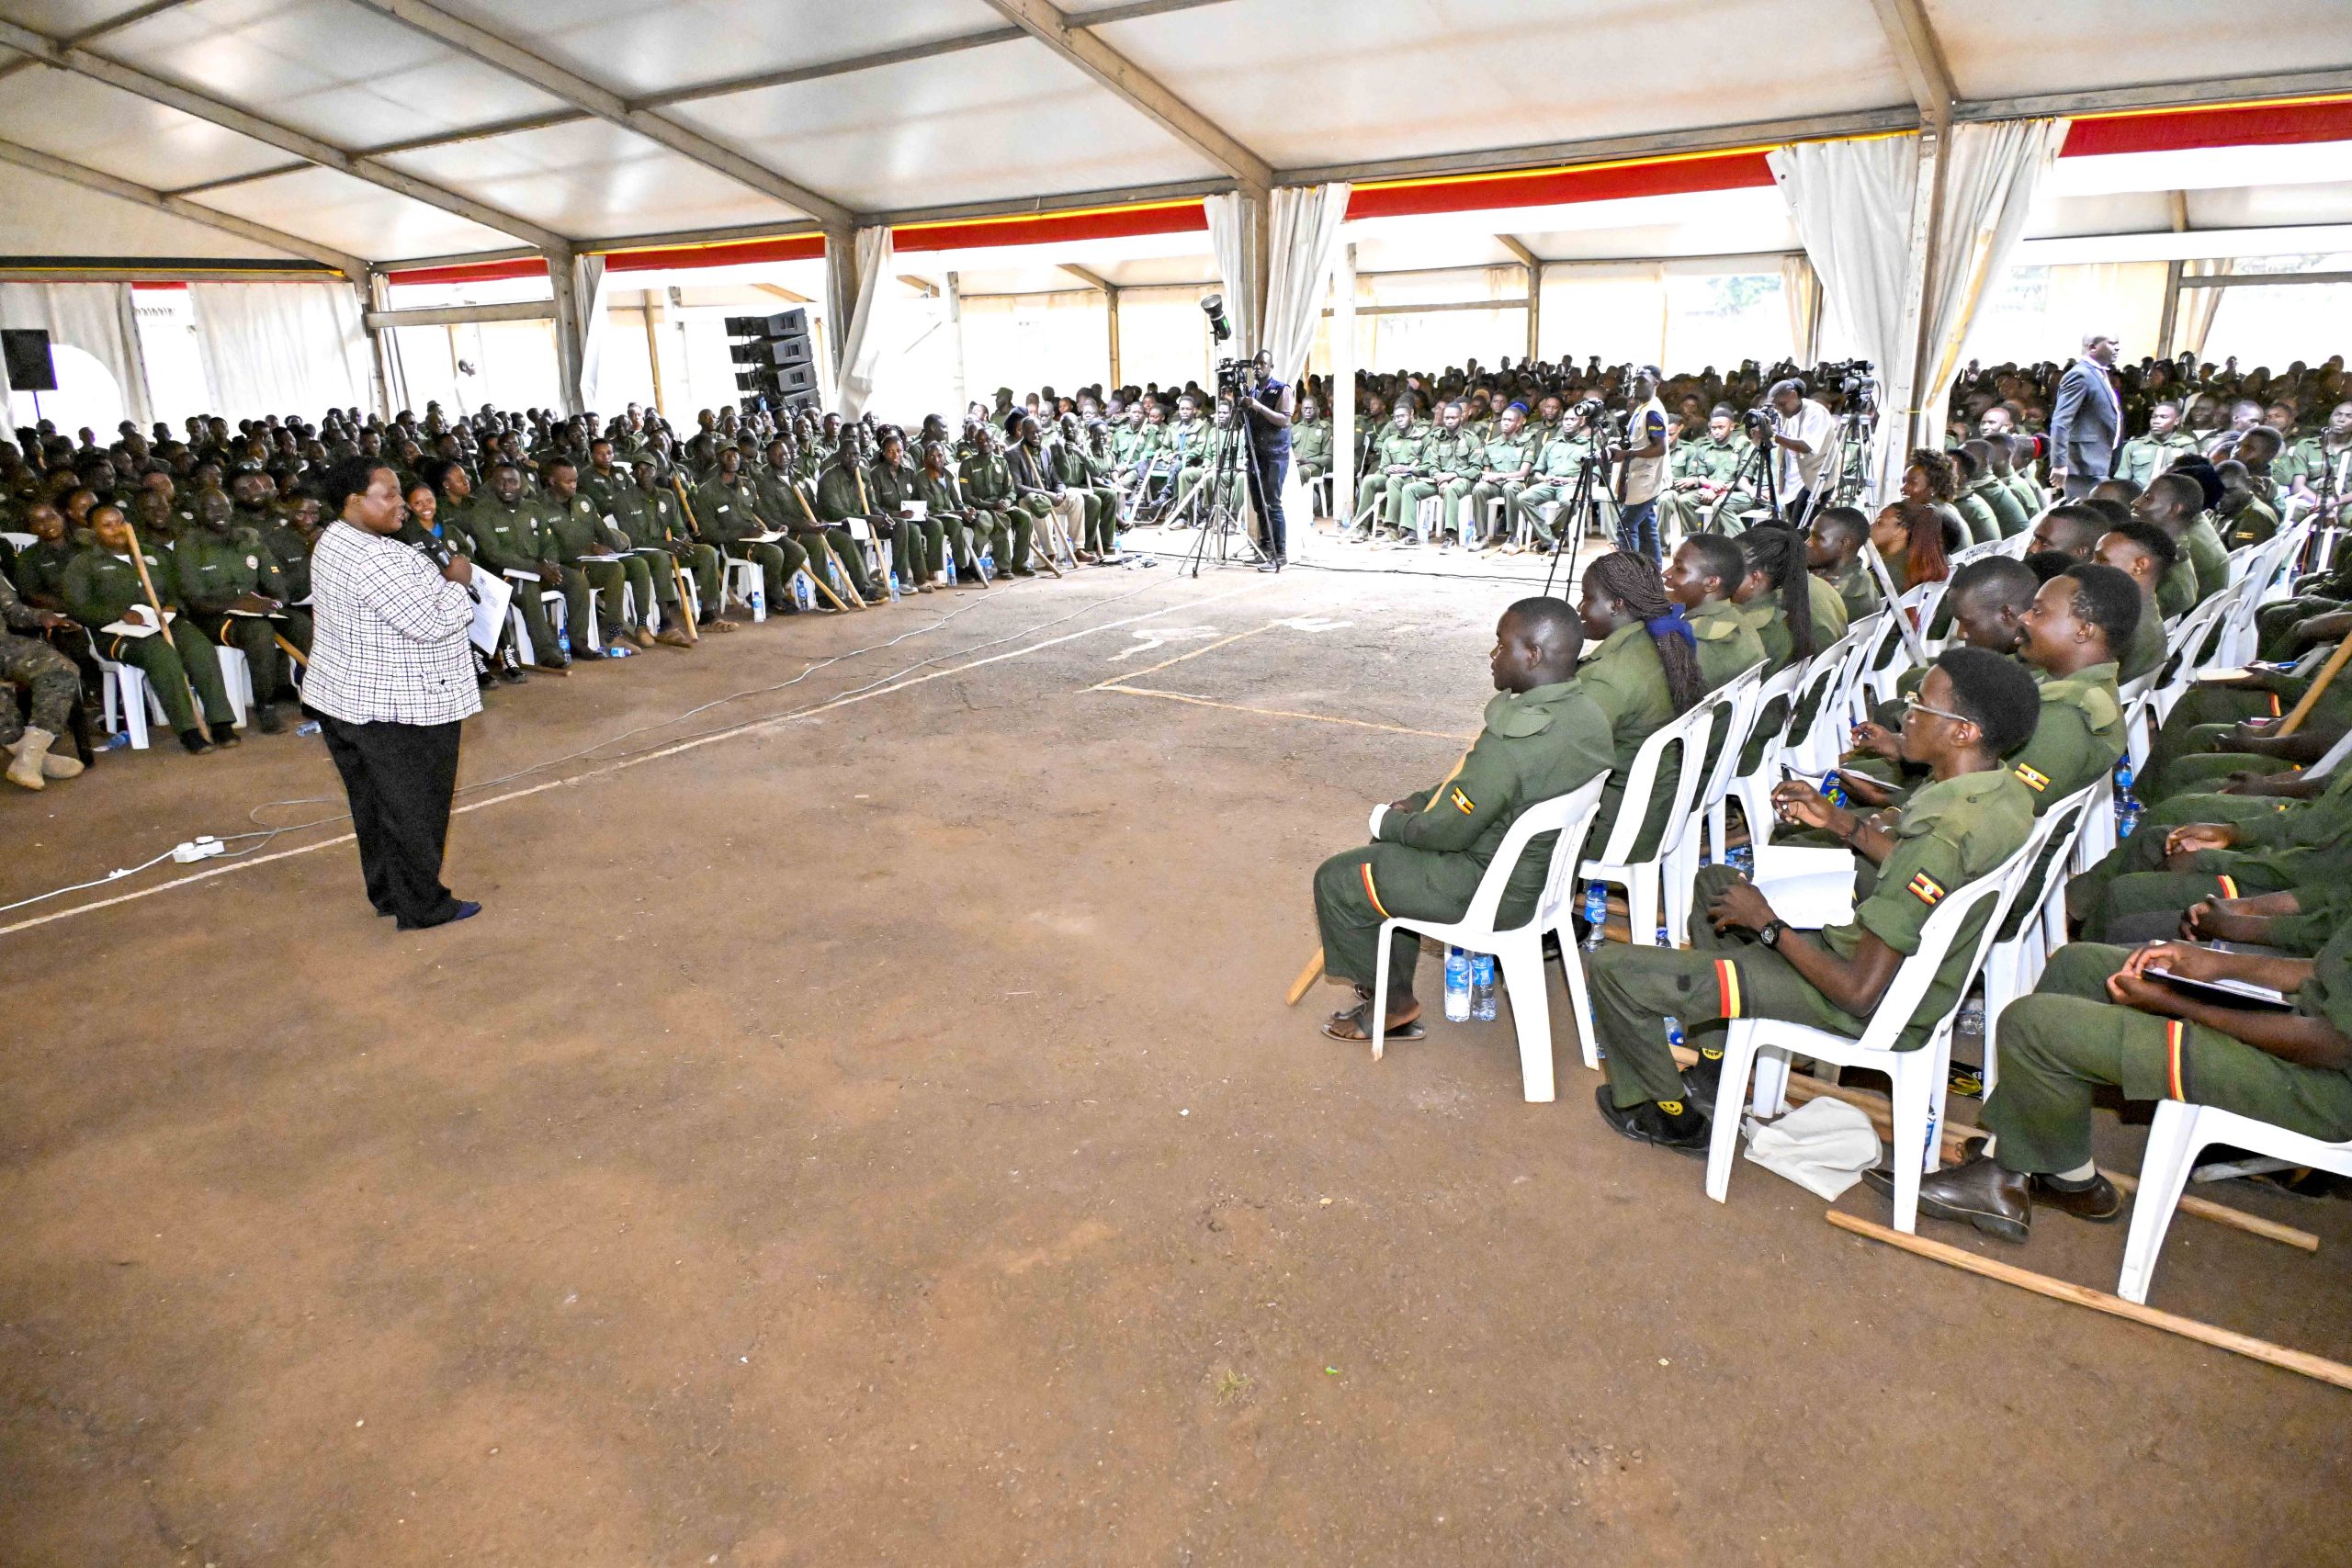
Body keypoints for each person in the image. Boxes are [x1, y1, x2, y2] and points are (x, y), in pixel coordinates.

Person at [1587, 648, 2039, 1150]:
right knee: (1716, 883)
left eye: (1920, 707)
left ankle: (1666, 1116)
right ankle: (1715, 1064)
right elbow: (1929, 873)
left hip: (1849, 997)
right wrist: (1840, 822)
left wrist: (1768, 926)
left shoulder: (1941, 836)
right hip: (1894, 970)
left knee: (1614, 971)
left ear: (1963, 732)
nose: (1906, 715)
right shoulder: (2002, 793)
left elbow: (1856, 992)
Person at [1899, 924, 2352, 1242]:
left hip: (2319, 1087)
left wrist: (2175, 1003)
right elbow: (2329, 971)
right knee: (2081, 966)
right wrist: (2214, 964)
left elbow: (2332, 1046)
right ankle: (2063, 1177)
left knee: (2032, 1026)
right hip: (2306, 1029)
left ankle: (2003, 1182)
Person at [1308, 598, 1612, 1043]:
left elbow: (1445, 832)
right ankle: (1390, 983)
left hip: (1485, 888)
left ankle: (1391, 1002)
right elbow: (1469, 789)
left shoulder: (1513, 743)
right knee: (1387, 862)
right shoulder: (1587, 714)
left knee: (1339, 877)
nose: (1493, 656)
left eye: (1500, 645)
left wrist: (1387, 823)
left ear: (1531, 655)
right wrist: (1419, 802)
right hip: (1542, 880)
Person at [301, 457, 481, 931]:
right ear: (353, 502)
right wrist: (457, 582)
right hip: (397, 705)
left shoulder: (335, 540)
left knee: (375, 805)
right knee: (414, 807)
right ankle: (422, 905)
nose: (401, 503)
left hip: (346, 696)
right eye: (388, 495)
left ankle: (389, 892)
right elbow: (431, 622)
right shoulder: (372, 556)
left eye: (399, 492)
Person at [0, 569, 84, 789]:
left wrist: (41, 616)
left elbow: (12, 610)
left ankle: (31, 754)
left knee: (62, 670)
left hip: (3, 645)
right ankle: (31, 755)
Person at [1238, 348, 1295, 569]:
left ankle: (1280, 555)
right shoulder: (1251, 392)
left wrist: (1258, 407)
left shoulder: (1282, 389)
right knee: (1259, 505)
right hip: (1255, 453)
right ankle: (1265, 549)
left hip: (1275, 454)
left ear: (1271, 366)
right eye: (1255, 364)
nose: (1257, 367)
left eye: (1262, 363)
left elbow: (1284, 421)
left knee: (1273, 504)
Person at [2047, 332, 2123, 498]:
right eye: (2111, 343)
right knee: (2083, 517)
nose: (2117, 347)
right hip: (2082, 463)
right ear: (2092, 347)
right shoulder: (2080, 374)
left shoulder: (2098, 373)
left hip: (2097, 461)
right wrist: (2059, 463)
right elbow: (2061, 421)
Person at [1615, 367, 1670, 559]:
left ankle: (1630, 571)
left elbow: (1660, 447)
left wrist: (1627, 454)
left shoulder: (1653, 412)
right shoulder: (1642, 408)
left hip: (1648, 476)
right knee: (1647, 527)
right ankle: (1654, 571)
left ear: (1656, 382)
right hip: (1640, 475)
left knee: (1626, 525)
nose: (1635, 385)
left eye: (1641, 380)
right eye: (1634, 381)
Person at [1765, 377, 1834, 521]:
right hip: (1791, 481)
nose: (1781, 409)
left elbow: (1806, 446)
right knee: (1793, 528)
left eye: (1783, 404)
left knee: (1800, 529)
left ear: (1793, 395)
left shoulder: (1816, 412)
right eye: (1777, 406)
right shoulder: (1785, 414)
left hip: (1813, 481)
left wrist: (1772, 436)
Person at [1806, 505, 1883, 625]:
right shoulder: (1861, 574)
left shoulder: (1835, 594)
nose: (1808, 543)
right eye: (1810, 535)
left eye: (1818, 538)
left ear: (1844, 544)